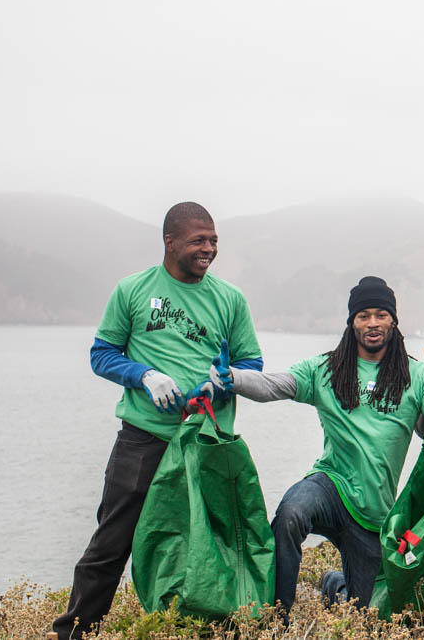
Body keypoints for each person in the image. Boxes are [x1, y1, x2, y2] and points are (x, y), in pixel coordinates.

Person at [53, 203, 263, 639]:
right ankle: (72, 630)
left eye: (214, 241)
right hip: (143, 440)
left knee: (211, 546)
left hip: (207, 441)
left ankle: (209, 629)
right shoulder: (132, 290)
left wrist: (222, 383)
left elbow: (251, 361)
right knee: (112, 542)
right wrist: (143, 374)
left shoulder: (230, 299)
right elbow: (102, 354)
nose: (209, 249)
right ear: (170, 242)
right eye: (198, 241)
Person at [213, 276, 424, 612]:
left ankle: (335, 585)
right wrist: (235, 378)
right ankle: (277, 616)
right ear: (352, 322)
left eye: (380, 314)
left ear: (393, 320)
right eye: (363, 315)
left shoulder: (415, 375)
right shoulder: (327, 368)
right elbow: (276, 385)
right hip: (331, 485)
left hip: (374, 514)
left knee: (367, 613)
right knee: (290, 514)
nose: (372, 323)